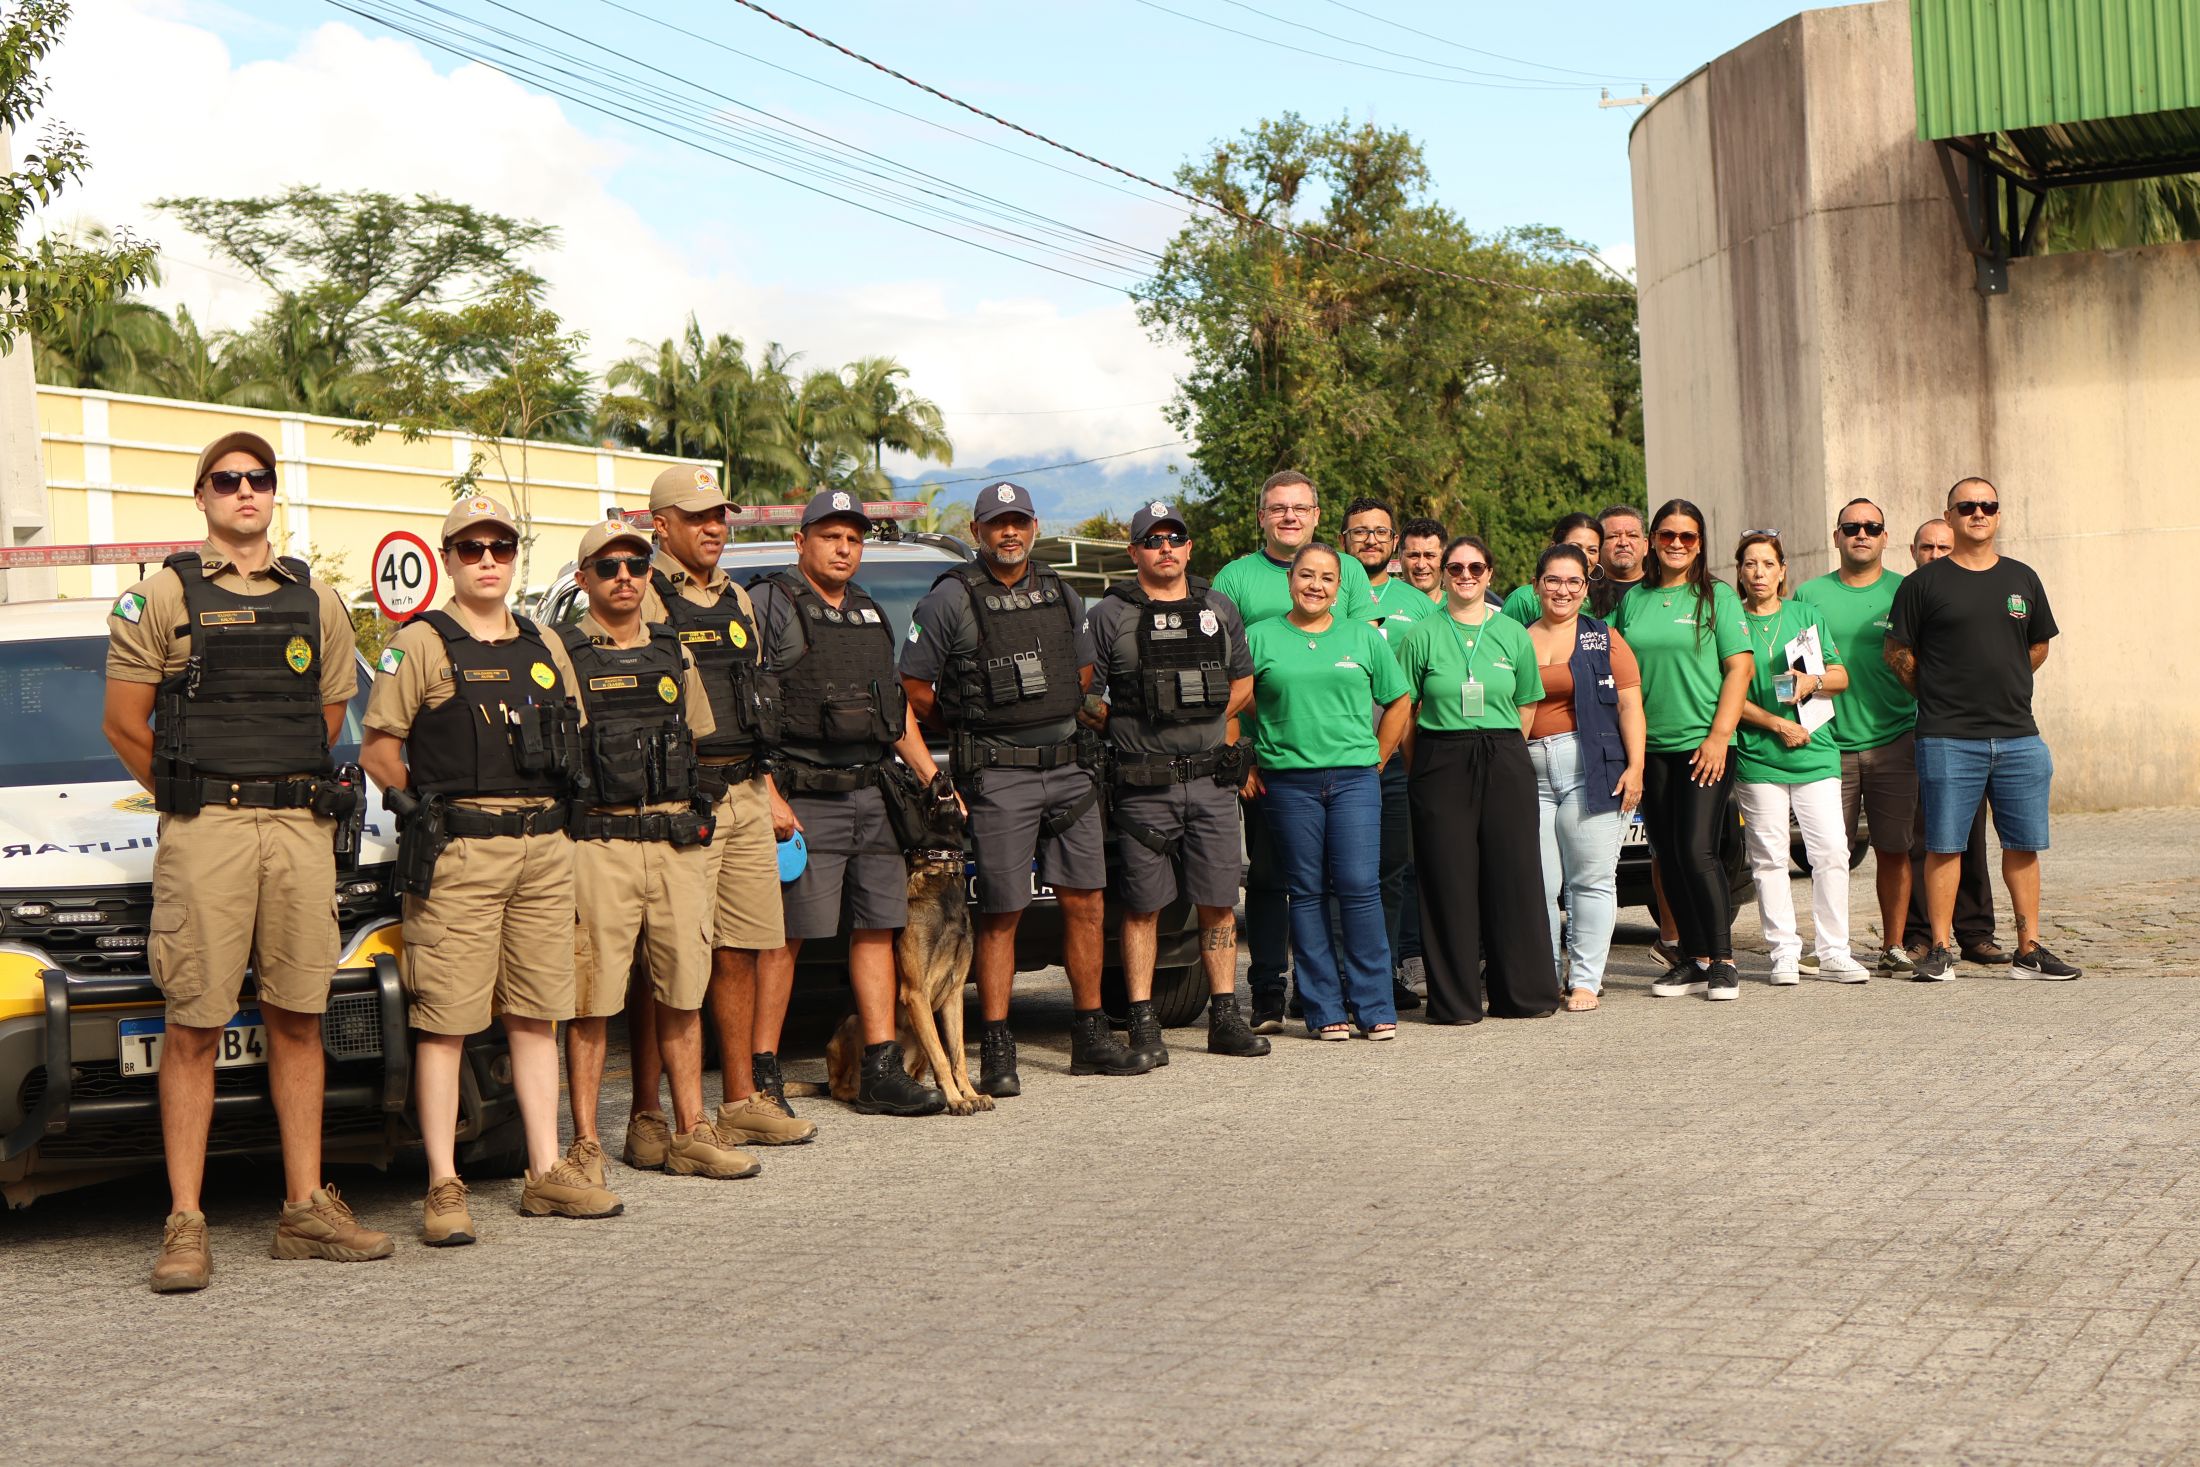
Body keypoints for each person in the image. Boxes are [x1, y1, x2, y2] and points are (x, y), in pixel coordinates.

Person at [103, 430, 392, 1292]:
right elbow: (123, 721)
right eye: (226, 480)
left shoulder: (320, 601)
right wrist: (188, 792)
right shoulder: (161, 596)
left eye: (258, 480)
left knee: (300, 1014)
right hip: (208, 833)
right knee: (193, 1023)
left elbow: (331, 717)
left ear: (274, 494)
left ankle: (304, 1208)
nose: (243, 492)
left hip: (298, 830)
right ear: (202, 497)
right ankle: (186, 1222)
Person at [362, 495, 623, 1245]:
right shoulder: (421, 644)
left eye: (500, 548)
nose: (486, 561)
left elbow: (570, 737)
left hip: (543, 849)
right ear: (448, 559)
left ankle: (545, 1172)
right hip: (461, 850)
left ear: (514, 558)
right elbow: (380, 750)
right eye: (471, 549)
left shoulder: (545, 642)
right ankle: (444, 1183)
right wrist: (421, 815)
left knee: (536, 1013)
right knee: (444, 1022)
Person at [902, 481, 1150, 1093]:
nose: (1008, 533)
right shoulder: (950, 600)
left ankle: (1090, 1035)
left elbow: (1083, 674)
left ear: (1034, 527)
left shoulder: (1063, 595)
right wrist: (971, 727)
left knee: (1087, 902)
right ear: (978, 532)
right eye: (996, 524)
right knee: (1003, 912)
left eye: (1019, 522)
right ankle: (998, 1049)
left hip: (1069, 771)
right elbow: (914, 690)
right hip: (998, 774)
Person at [558, 519, 759, 1185]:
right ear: (583, 577)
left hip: (674, 843)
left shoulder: (674, 651)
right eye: (608, 565)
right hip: (602, 844)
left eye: (636, 564)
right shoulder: (562, 653)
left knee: (682, 989)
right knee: (592, 999)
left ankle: (691, 1129)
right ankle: (585, 1144)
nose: (624, 575)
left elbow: (699, 740)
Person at [752, 491, 952, 1114]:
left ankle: (881, 1070)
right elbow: (747, 709)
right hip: (804, 798)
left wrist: (931, 781)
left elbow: (894, 712)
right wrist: (769, 796)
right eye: (831, 536)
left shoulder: (869, 610)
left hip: (872, 794)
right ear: (802, 541)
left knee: (878, 929)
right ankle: (762, 1076)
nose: (844, 548)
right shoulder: (772, 604)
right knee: (788, 939)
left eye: (853, 538)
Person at [637, 465, 811, 1150]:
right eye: (699, 516)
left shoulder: (738, 597)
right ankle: (647, 1114)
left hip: (743, 789)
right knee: (667, 959)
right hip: (680, 798)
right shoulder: (644, 592)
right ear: (662, 525)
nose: (716, 527)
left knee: (741, 947)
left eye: (722, 515)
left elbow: (752, 695)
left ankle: (739, 1097)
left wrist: (768, 786)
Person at [1087, 501, 1270, 1061]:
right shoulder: (1110, 614)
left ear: (1189, 548)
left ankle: (1224, 1017)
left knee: (1217, 904)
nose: (1165, 548)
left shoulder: (1218, 606)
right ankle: (1142, 1020)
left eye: (1175, 539)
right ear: (1135, 552)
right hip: (1144, 785)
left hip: (1212, 782)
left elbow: (1243, 682)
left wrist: (1203, 717)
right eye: (1153, 540)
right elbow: (1082, 692)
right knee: (1142, 907)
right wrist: (1129, 721)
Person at [1885, 478, 2080, 981]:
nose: (1979, 513)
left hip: (2019, 736)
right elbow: (1898, 655)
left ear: (1997, 515)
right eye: (1967, 506)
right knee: (1945, 845)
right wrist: (1938, 696)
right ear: (1949, 517)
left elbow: (2037, 646)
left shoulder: (2022, 577)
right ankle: (1942, 950)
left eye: (1988, 506)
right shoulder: (1922, 585)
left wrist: (2004, 683)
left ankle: (2029, 949)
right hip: (1948, 737)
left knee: (2023, 843)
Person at [1211, 470, 1377, 1032]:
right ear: (1262, 516)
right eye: (1278, 508)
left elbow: (1353, 651)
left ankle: (1322, 993)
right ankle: (1265, 989)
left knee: (1342, 879)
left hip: (1338, 753)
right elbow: (1228, 682)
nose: (1289, 516)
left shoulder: (1348, 570)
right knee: (1269, 878)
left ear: (1316, 515)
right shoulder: (1235, 578)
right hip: (1268, 763)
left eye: (1299, 508)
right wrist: (1243, 758)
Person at [1243, 544, 1410, 1038]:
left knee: (1360, 888)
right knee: (1307, 892)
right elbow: (1234, 703)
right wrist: (1247, 759)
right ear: (1290, 581)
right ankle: (1323, 1010)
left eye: (1327, 578)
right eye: (1307, 576)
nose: (1316, 585)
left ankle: (1374, 1005)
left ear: (1340, 587)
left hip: (1355, 779)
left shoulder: (1363, 636)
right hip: (1288, 783)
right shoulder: (1259, 637)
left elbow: (1399, 700)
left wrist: (1377, 758)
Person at [1396, 537, 1562, 1023]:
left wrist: (1503, 748)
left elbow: (1527, 702)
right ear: (1444, 574)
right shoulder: (1421, 635)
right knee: (1448, 878)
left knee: (1513, 875)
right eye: (1456, 567)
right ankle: (1457, 1000)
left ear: (1490, 573)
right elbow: (1404, 712)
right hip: (1440, 757)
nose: (1465, 575)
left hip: (1505, 754)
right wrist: (1424, 763)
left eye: (1475, 567)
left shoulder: (1513, 633)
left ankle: (1522, 994)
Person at [1611, 499, 1754, 1001]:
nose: (1676, 544)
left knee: (1697, 850)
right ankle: (1693, 958)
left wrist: (1718, 736)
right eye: (1667, 535)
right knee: (1667, 854)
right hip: (1649, 747)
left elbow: (1740, 670)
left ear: (1700, 543)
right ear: (1652, 541)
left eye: (1687, 537)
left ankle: (1723, 959)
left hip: (1704, 745)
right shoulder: (1634, 601)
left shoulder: (1717, 597)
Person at [1730, 532, 1870, 985]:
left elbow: (1841, 676)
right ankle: (1783, 951)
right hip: (1760, 754)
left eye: (1767, 564)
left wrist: (1813, 684)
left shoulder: (1805, 615)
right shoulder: (1730, 621)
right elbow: (1724, 694)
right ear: (1739, 572)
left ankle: (1833, 950)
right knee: (1768, 856)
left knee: (1831, 850)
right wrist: (1776, 725)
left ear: (1782, 570)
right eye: (1750, 565)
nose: (1759, 574)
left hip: (1814, 748)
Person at [1795, 499, 1919, 973]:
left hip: (1895, 736)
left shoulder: (1907, 590)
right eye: (1851, 527)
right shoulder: (1809, 594)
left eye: (1872, 527)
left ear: (1885, 537)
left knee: (1894, 847)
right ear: (1837, 537)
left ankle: (1892, 945)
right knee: (1830, 853)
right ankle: (1832, 947)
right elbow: (1796, 665)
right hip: (1830, 742)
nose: (1861, 534)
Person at [1523, 542, 1644, 1011]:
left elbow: (1631, 703)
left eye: (1574, 581)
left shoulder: (1602, 636)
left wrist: (1635, 768)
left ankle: (1586, 981)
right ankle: (1547, 975)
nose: (1563, 590)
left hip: (1590, 765)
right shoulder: (1515, 638)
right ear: (1537, 585)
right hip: (1528, 771)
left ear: (1586, 587)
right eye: (1553, 580)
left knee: (1591, 880)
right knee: (1539, 880)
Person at [1898, 518, 2004, 966]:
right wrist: (1937, 697)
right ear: (1912, 550)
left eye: (1943, 546)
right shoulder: (1912, 592)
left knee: (1970, 837)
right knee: (1923, 839)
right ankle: (1919, 935)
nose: (1935, 554)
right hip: (1909, 731)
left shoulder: (1965, 588)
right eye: (1927, 547)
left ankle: (1975, 932)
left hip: (1960, 732)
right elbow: (1898, 658)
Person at [1342, 494, 1427, 1013]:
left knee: (1392, 870)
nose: (1370, 539)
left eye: (1380, 532)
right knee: (1340, 875)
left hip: (1399, 755)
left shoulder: (1418, 603)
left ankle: (1388, 968)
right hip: (1342, 753)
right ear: (1344, 540)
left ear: (1394, 542)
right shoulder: (1329, 594)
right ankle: (1332, 976)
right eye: (1359, 531)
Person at [1500, 512, 1601, 625]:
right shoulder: (1523, 600)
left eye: (1592, 550)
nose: (1583, 557)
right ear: (1553, 547)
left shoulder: (1604, 601)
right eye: (1574, 548)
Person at [1591, 505, 1649, 618]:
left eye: (1632, 535)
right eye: (1613, 536)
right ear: (1597, 545)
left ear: (1646, 546)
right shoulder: (1581, 592)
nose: (1623, 543)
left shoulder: (1662, 590)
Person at [1399, 517, 1448, 604]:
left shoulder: (1461, 610)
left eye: (1430, 556)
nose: (1421, 565)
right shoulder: (1379, 605)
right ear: (1400, 557)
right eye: (1414, 555)